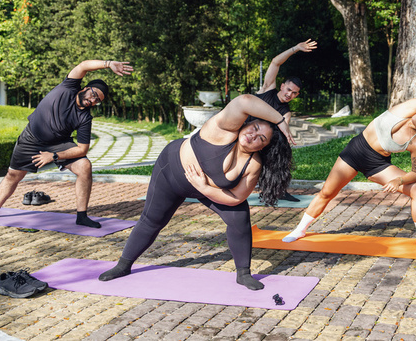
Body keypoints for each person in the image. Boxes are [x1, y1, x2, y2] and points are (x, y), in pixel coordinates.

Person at [98, 94, 294, 290]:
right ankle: (123, 265)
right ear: (246, 123)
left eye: (261, 138)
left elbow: (236, 198)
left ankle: (243, 274)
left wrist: (204, 188)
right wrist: (279, 120)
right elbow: (244, 101)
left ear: (265, 147)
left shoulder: (253, 163)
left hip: (204, 189)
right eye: (255, 127)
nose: (253, 135)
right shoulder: (222, 130)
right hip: (171, 172)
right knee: (152, 220)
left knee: (240, 217)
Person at [282, 96, 416, 255]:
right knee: (326, 192)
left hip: (377, 164)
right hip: (355, 151)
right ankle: (299, 229)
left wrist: (399, 179)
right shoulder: (407, 109)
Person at [0, 60, 134, 228]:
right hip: (31, 138)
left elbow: (82, 148)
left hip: (58, 144)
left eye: (97, 100)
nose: (93, 100)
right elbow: (83, 65)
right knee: (13, 175)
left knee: (84, 166)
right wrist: (108, 64)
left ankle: (82, 216)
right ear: (85, 88)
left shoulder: (85, 118)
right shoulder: (68, 87)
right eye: (93, 94)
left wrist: (54, 156)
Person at [255, 39, 317, 125]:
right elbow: (275, 62)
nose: (289, 94)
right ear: (282, 86)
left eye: (294, 93)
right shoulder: (268, 89)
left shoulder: (286, 113)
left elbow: (281, 135)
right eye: (288, 89)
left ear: (297, 95)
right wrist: (296, 48)